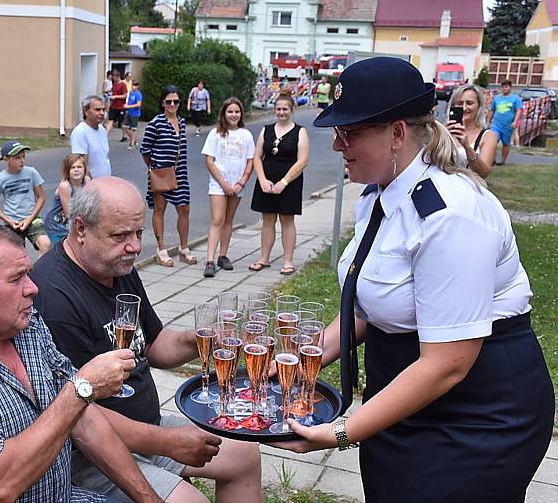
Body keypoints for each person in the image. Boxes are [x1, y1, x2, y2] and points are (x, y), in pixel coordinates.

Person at [275, 57, 554, 502]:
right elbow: (371, 308)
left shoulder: (451, 213)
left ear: (397, 134)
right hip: (402, 397)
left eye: (349, 133)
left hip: (478, 412)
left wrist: (341, 432)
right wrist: (289, 365)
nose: (337, 146)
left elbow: (449, 363)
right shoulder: (378, 194)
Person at [30, 177, 262, 503]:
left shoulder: (116, 264)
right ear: (80, 229)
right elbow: (79, 416)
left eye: (138, 233)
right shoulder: (54, 297)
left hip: (146, 427)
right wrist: (168, 442)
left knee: (242, 452)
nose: (135, 247)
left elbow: (153, 345)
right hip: (90, 454)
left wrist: (199, 340)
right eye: (121, 235)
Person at [0, 222, 161, 503]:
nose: (33, 288)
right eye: (17, 278)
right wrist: (80, 389)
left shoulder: (27, 326)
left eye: (29, 274)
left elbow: (84, 421)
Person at [249, 90, 310, 275]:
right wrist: (262, 180)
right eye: (278, 109)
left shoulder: (300, 131)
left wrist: (284, 182)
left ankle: (288, 261)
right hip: (267, 181)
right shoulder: (265, 130)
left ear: (291, 110)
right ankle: (264, 258)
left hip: (289, 182)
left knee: (286, 220)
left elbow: (303, 161)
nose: (281, 112)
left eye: (285, 109)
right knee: (267, 220)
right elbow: (257, 157)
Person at [140, 86, 196, 267]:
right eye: (168, 101)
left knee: (184, 209)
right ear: (162, 102)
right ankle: (161, 249)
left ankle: (184, 248)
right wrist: (153, 169)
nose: (172, 104)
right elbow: (145, 150)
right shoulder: (155, 123)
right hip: (161, 174)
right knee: (159, 210)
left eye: (176, 101)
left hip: (180, 173)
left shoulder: (181, 122)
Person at [201, 97, 255, 278]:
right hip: (219, 184)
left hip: (237, 185)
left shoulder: (246, 135)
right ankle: (209, 259)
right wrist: (223, 183)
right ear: (224, 113)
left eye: (237, 112)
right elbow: (209, 160)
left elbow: (250, 161)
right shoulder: (215, 134)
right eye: (230, 112)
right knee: (217, 218)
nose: (233, 115)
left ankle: (223, 256)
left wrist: (242, 182)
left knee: (229, 219)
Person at [0, 140, 51, 256]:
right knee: (18, 254)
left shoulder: (31, 172)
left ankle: (40, 272)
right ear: (6, 159)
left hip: (32, 219)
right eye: (17, 158)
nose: (22, 161)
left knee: (45, 243)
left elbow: (41, 197)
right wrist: (9, 221)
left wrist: (30, 219)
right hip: (12, 222)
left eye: (23, 157)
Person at [446, 84, 498, 178]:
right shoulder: (444, 131)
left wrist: (467, 147)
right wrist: (441, 139)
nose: (465, 108)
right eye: (460, 103)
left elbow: (483, 173)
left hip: (470, 189)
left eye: (469, 103)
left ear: (479, 106)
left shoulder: (488, 136)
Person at [44, 154, 90, 244]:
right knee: (60, 252)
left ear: (84, 169)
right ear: (67, 171)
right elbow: (69, 213)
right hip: (57, 225)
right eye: (72, 168)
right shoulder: (65, 186)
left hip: (75, 221)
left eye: (79, 167)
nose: (76, 170)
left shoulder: (87, 181)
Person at [71, 95, 112, 178]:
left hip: (105, 183)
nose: (102, 113)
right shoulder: (80, 132)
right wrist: (91, 186)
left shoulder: (102, 130)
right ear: (86, 111)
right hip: (91, 186)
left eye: (103, 110)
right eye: (97, 110)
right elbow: (81, 165)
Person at [488, 79, 523, 165]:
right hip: (496, 124)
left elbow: (518, 110)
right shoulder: (497, 98)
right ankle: (492, 159)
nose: (504, 89)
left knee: (506, 143)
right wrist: (488, 121)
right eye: (503, 87)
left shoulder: (515, 98)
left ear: (510, 87)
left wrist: (515, 122)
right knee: (493, 141)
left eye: (506, 87)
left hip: (507, 125)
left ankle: (503, 161)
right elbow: (492, 110)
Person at [124, 80, 143, 150]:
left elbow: (138, 104)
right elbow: (129, 101)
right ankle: (133, 139)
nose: (133, 87)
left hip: (135, 113)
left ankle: (132, 144)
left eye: (135, 85)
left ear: (137, 86)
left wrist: (128, 106)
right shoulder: (131, 93)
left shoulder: (138, 94)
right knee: (124, 126)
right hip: (129, 112)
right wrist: (126, 105)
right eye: (132, 85)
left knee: (133, 129)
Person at [108, 70, 128, 139]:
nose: (113, 79)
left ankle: (125, 136)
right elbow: (113, 93)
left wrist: (116, 96)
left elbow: (125, 95)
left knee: (122, 123)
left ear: (118, 77)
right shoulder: (114, 84)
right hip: (113, 106)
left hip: (121, 107)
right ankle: (104, 135)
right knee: (110, 120)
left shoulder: (123, 85)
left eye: (114, 78)